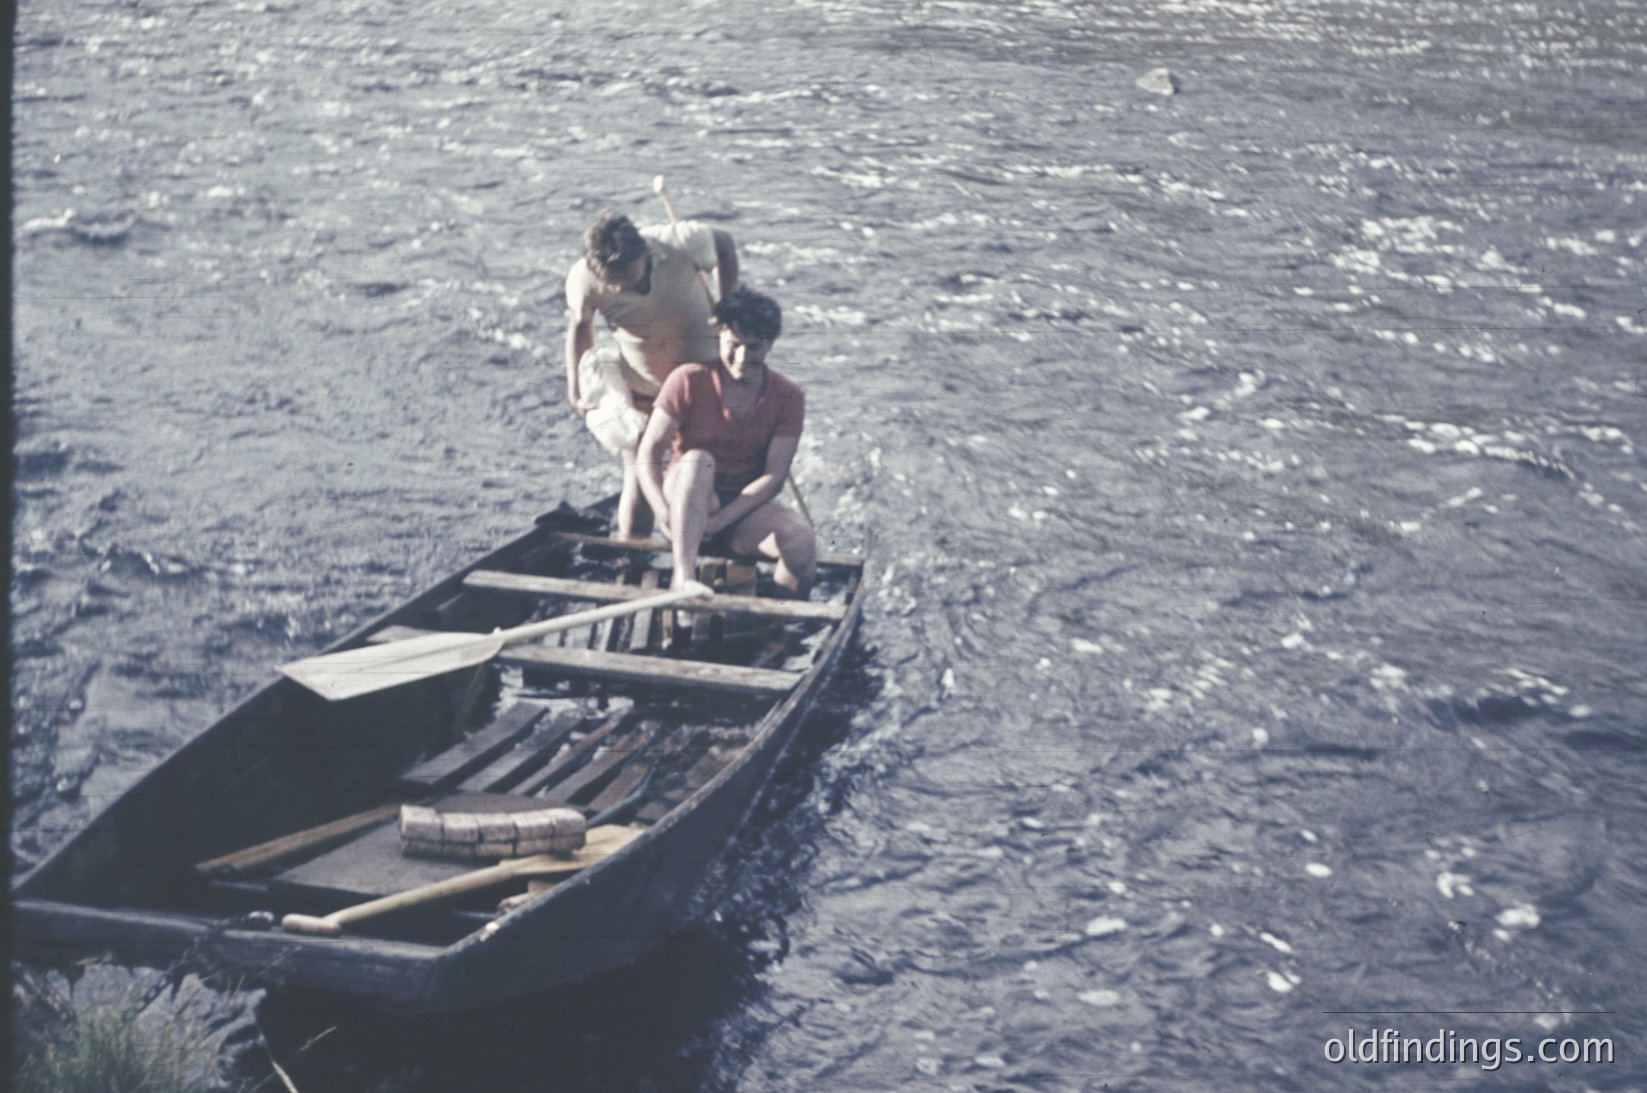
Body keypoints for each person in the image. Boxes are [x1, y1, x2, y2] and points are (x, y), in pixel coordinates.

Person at [564, 210, 739, 537]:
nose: (622, 289)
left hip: (703, 382)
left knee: (708, 474)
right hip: (643, 387)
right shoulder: (584, 278)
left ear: (643, 253)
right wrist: (575, 387)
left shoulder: (682, 241)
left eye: (628, 278)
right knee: (640, 475)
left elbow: (726, 245)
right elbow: (581, 327)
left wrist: (731, 304)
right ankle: (631, 561)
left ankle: (710, 558)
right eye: (612, 283)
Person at [636, 285, 816, 598]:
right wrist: (661, 509)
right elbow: (649, 453)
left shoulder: (789, 397)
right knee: (697, 462)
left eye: (754, 347)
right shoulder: (688, 379)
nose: (743, 358)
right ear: (719, 335)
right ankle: (684, 577)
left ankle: (777, 622)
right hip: (686, 503)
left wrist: (719, 522)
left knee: (802, 541)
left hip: (737, 514)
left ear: (770, 345)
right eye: (734, 345)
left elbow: (774, 477)